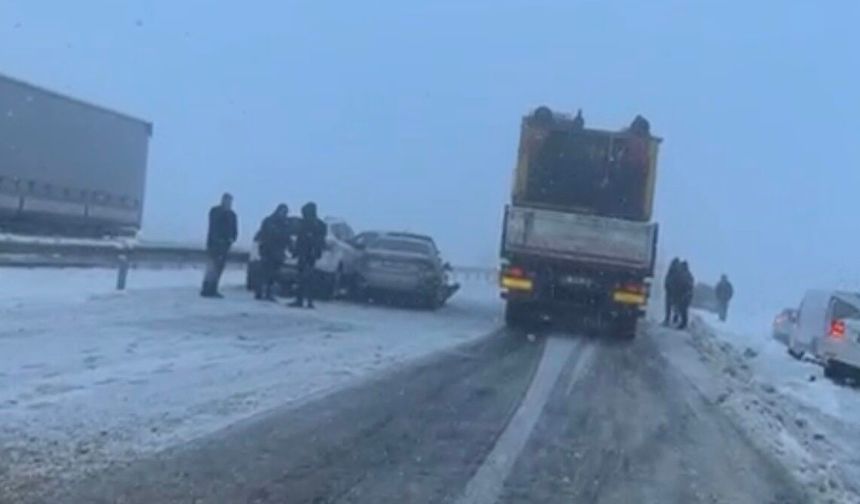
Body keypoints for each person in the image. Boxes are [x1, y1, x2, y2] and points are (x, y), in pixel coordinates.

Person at [289, 202, 327, 309]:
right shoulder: (315, 224)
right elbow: (300, 239)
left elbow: (319, 240)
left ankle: (305, 300)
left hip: (309, 254)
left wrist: (314, 250)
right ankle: (304, 300)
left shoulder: (316, 225)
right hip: (306, 253)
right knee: (304, 278)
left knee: (306, 278)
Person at [201, 193, 238, 298]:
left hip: (225, 246)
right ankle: (206, 289)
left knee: (219, 268)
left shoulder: (232, 215)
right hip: (214, 245)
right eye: (227, 201)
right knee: (212, 268)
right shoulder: (216, 211)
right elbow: (214, 227)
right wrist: (218, 240)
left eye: (230, 201)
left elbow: (234, 229)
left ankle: (214, 289)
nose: (228, 203)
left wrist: (232, 238)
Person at [254, 204, 291, 301]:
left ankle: (268, 293)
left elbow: (287, 237)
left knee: (273, 274)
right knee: (264, 273)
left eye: (285, 212)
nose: (283, 214)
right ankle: (260, 292)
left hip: (278, 252)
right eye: (282, 211)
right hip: (268, 251)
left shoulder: (285, 223)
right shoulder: (269, 221)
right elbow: (263, 234)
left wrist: (290, 247)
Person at [676, 261, 695, 330]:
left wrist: (686, 293)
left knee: (683, 309)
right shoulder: (685, 274)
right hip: (684, 294)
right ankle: (683, 323)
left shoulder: (686, 275)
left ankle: (684, 323)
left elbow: (688, 285)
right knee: (681, 309)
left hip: (685, 295)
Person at [663, 258, 681, 326]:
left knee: (668, 306)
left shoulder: (671, 269)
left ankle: (667, 319)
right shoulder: (679, 271)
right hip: (675, 292)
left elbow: (667, 279)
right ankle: (674, 319)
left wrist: (667, 287)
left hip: (670, 291)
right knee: (675, 306)